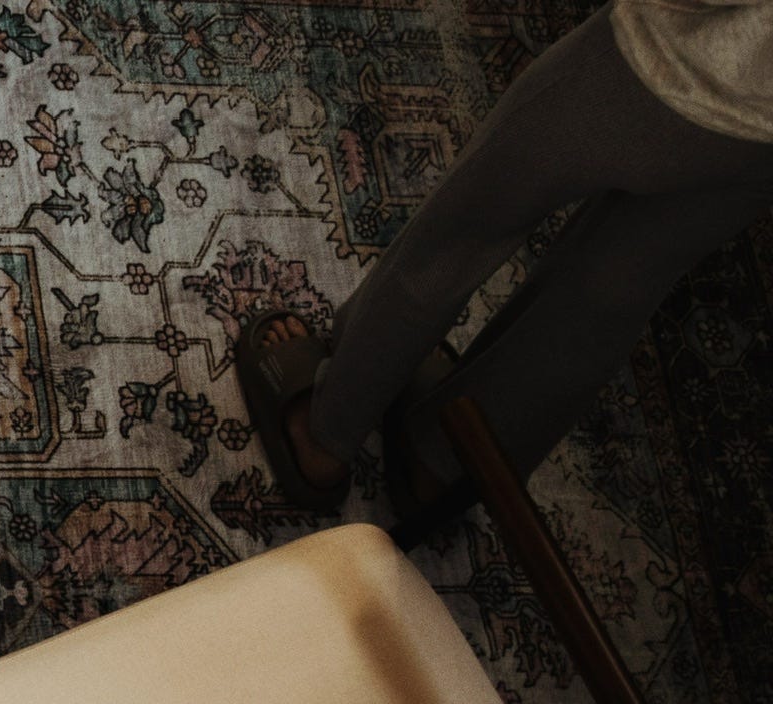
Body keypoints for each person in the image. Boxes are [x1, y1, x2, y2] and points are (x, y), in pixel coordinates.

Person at [237, 0, 773, 516]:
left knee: (465, 228)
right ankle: (439, 469)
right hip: (761, 140)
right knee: (607, 299)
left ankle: (327, 435)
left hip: (670, 64)